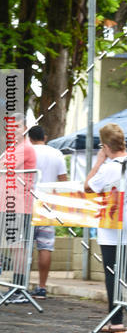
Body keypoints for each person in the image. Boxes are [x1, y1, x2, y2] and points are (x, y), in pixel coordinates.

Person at [85, 123, 127, 333]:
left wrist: (98, 163)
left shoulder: (108, 168)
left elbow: (87, 187)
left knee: (112, 272)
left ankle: (115, 321)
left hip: (114, 225)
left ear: (105, 146)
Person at [28, 125, 68, 299]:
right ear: (45, 137)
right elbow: (63, 181)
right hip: (47, 205)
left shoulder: (25, 153)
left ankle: (20, 284)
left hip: (26, 204)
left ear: (29, 138)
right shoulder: (56, 154)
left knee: (23, 246)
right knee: (45, 247)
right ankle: (42, 287)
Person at [0, 114, 36, 304]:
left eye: (18, 126)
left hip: (19, 205)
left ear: (26, 127)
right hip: (8, 204)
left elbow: (4, 166)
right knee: (14, 247)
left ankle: (19, 287)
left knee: (18, 247)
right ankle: (16, 286)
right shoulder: (13, 148)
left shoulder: (25, 149)